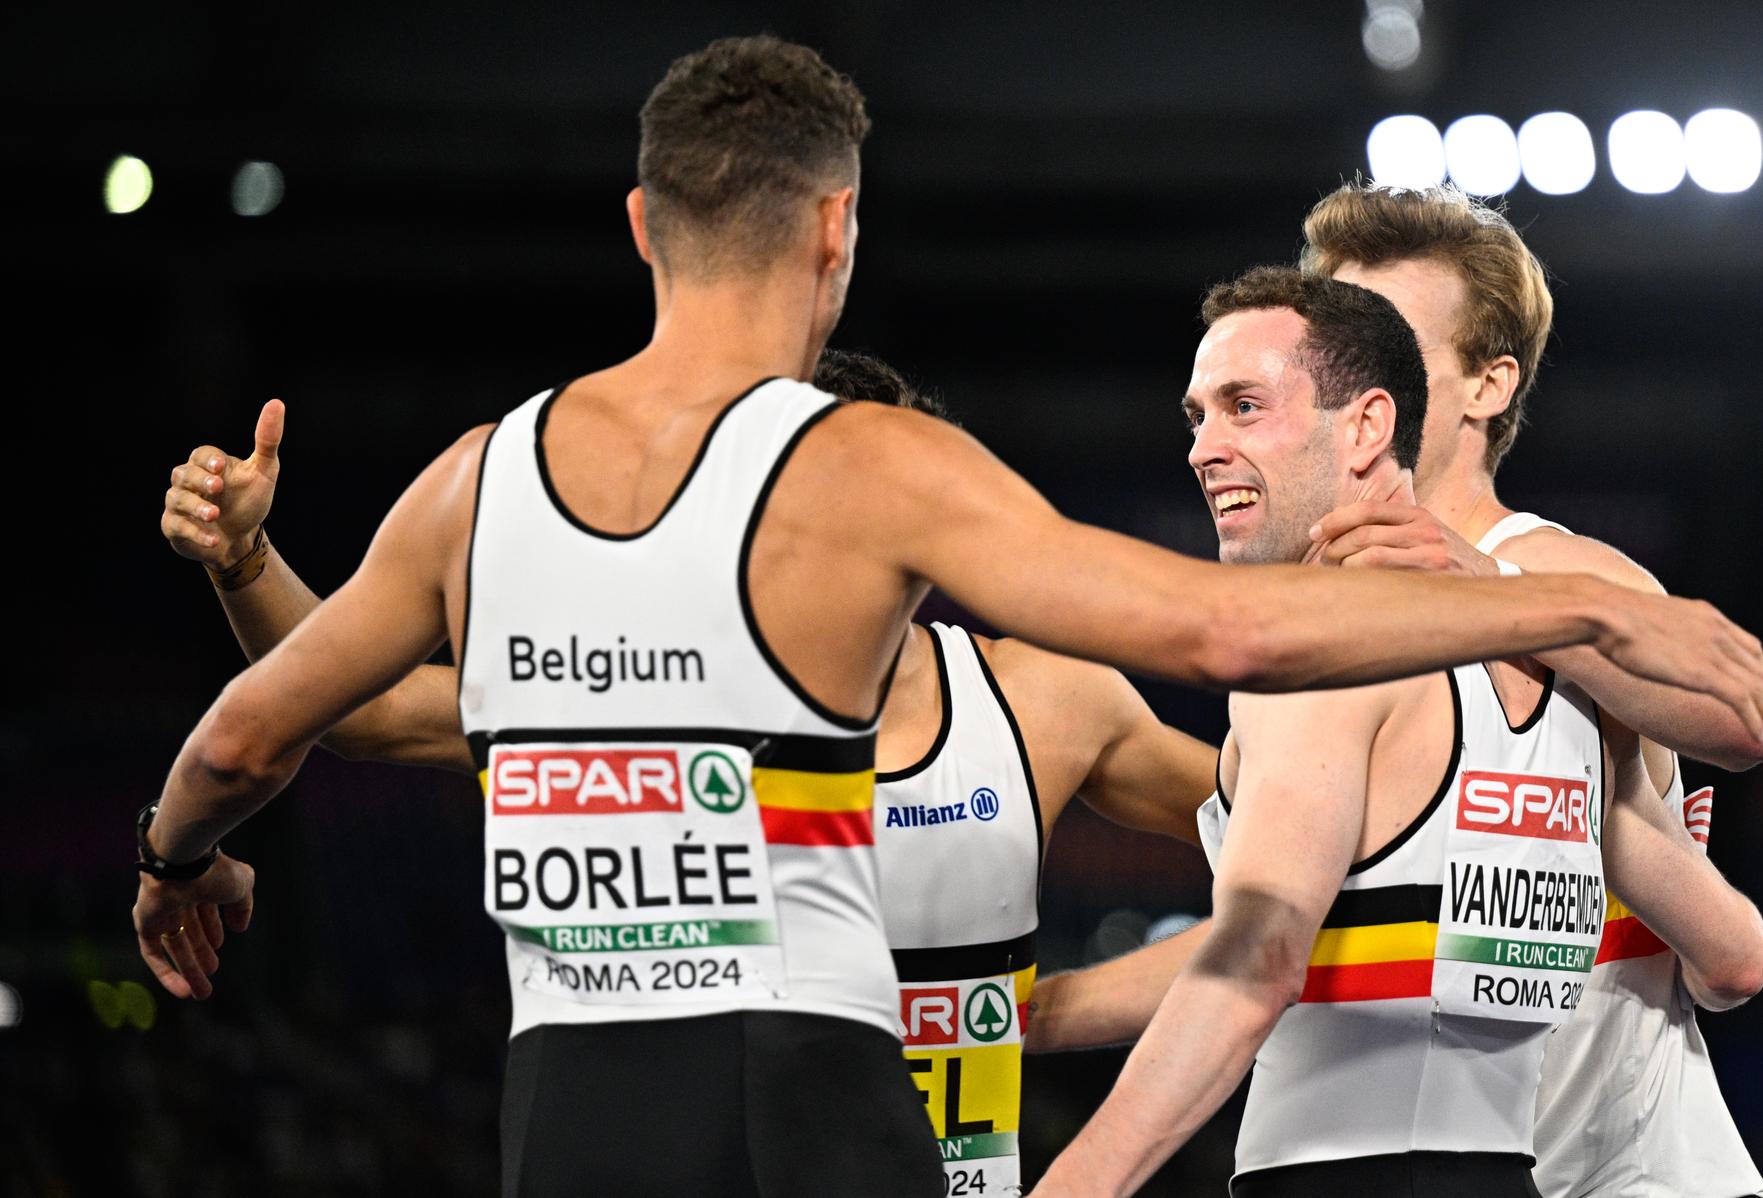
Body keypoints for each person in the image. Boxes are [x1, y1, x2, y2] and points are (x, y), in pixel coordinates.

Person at [131, 34, 1763, 1195]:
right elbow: (1225, 641)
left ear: (641, 224)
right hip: (815, 1088)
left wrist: (176, 858)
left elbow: (258, 725)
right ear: (838, 230)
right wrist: (1564, 606)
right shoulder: (881, 475)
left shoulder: (479, 483)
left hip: (571, 1104)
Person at [156, 350, 1220, 1197]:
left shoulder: (1048, 701)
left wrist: (1068, 1007)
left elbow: (1316, 860)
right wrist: (245, 563)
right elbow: (363, 711)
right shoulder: (658, 694)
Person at [1028, 267, 1763, 1198]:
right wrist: (1016, 1012)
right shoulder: (1569, 677)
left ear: (1373, 424)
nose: (1203, 450)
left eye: (1243, 407)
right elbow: (1736, 952)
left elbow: (1257, 962)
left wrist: (1077, 1183)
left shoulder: (1327, 648)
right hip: (1512, 1170)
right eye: (1196, 418)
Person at [1298, 182, 1763, 1196]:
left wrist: (1498, 599)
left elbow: (1739, 723)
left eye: (1388, 350)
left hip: (1632, 1173)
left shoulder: (1562, 574)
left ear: (1488, 385)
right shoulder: (1310, 615)